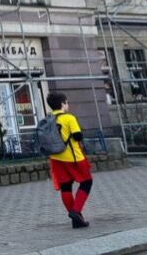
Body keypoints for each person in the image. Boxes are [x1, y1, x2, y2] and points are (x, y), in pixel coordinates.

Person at [46, 92, 92, 228]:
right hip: (73, 157)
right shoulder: (69, 118)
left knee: (65, 187)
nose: (67, 105)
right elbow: (78, 137)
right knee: (87, 182)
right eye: (66, 102)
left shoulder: (48, 119)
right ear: (62, 104)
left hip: (55, 158)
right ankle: (76, 211)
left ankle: (76, 220)